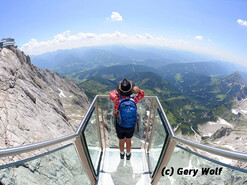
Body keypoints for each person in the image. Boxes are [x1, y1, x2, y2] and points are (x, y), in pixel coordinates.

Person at [110, 78, 144, 160]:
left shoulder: (116, 99)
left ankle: (122, 154)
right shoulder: (134, 100)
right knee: (128, 140)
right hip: (131, 124)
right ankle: (128, 155)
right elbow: (142, 94)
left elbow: (111, 93)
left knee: (121, 140)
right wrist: (138, 90)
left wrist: (120, 90)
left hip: (120, 124)